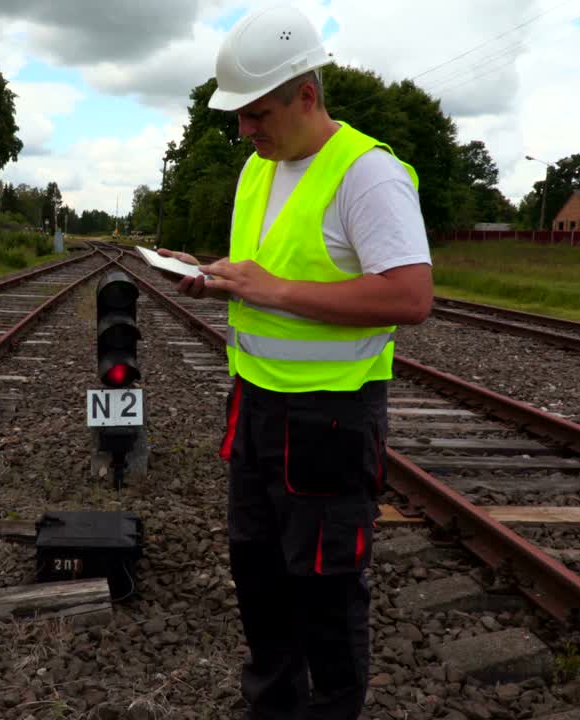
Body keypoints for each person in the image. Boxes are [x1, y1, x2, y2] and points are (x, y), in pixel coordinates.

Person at [156, 6, 432, 719]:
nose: (245, 130)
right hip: (254, 408)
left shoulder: (367, 175)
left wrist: (269, 287)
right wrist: (215, 278)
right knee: (260, 588)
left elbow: (410, 295)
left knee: (327, 602)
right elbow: (268, 278)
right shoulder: (257, 169)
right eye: (239, 117)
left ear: (306, 96)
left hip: (330, 422)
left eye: (256, 114)